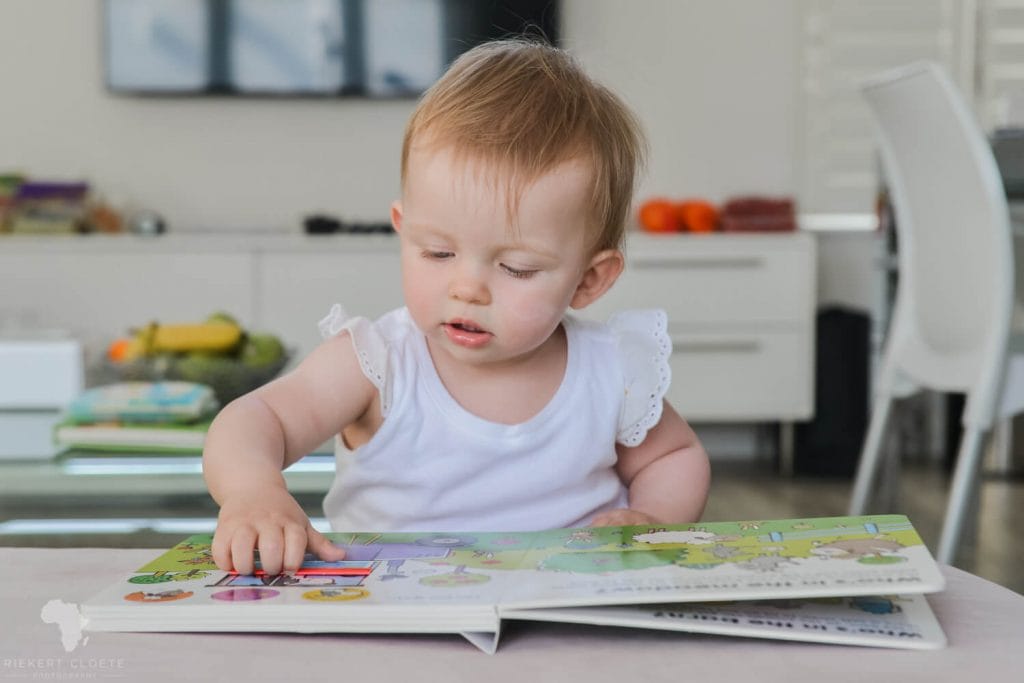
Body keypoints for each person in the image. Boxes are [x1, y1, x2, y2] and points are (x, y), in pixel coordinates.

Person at [203, 38, 711, 576]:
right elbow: (256, 418)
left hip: (565, 615)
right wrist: (253, 491)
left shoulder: (611, 371)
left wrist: (651, 514)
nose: (467, 288)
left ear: (588, 280)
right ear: (403, 230)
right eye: (438, 253)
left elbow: (672, 457)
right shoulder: (380, 363)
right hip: (394, 620)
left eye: (516, 267)